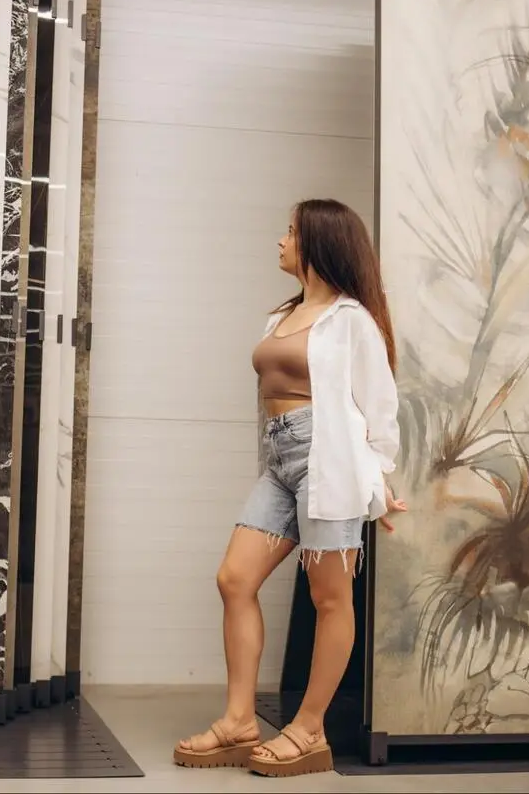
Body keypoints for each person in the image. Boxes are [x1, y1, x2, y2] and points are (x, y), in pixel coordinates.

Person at [172, 198, 406, 778]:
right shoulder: (284, 314)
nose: (281, 240)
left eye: (292, 232)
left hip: (328, 459)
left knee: (331, 599)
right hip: (280, 459)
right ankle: (239, 722)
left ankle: (308, 730)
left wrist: (376, 483)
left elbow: (380, 406)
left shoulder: (352, 320)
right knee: (234, 578)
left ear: (319, 244)